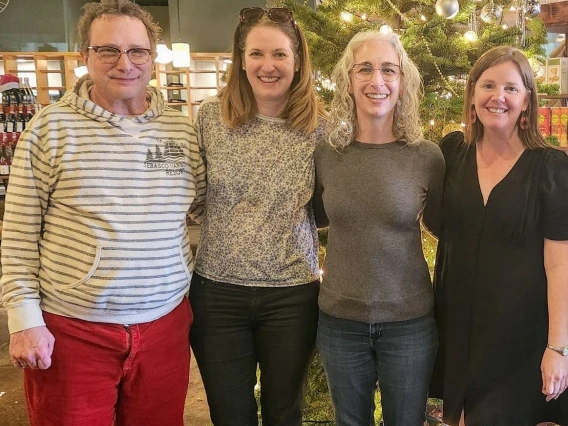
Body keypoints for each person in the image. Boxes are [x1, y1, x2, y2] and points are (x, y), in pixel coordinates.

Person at [0, 1, 205, 425]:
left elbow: (205, 208)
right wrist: (23, 320)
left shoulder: (181, 130)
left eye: (137, 51)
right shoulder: (49, 129)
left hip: (164, 326)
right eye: (107, 50)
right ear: (84, 58)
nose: (124, 63)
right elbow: (19, 234)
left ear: (153, 57)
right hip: (73, 331)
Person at [187, 6, 325, 426]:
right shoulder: (211, 118)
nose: (268, 66)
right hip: (218, 294)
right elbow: (193, 196)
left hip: (292, 295)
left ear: (297, 60)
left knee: (285, 414)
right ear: (240, 59)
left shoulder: (321, 126)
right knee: (230, 415)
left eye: (280, 54)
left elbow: (331, 205)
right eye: (257, 54)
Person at [312, 30, 445, 426]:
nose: (377, 81)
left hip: (409, 324)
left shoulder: (426, 157)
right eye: (365, 69)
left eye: (389, 70)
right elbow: (315, 217)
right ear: (348, 81)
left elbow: (441, 227)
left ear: (402, 81)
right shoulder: (326, 155)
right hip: (340, 322)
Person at [430, 46, 568, 426]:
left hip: (520, 337)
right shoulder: (451, 153)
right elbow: (433, 224)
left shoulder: (552, 168)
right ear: (473, 94)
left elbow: (559, 266)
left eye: (511, 88)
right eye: (488, 85)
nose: (499, 97)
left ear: (527, 101)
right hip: (457, 327)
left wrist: (558, 348)